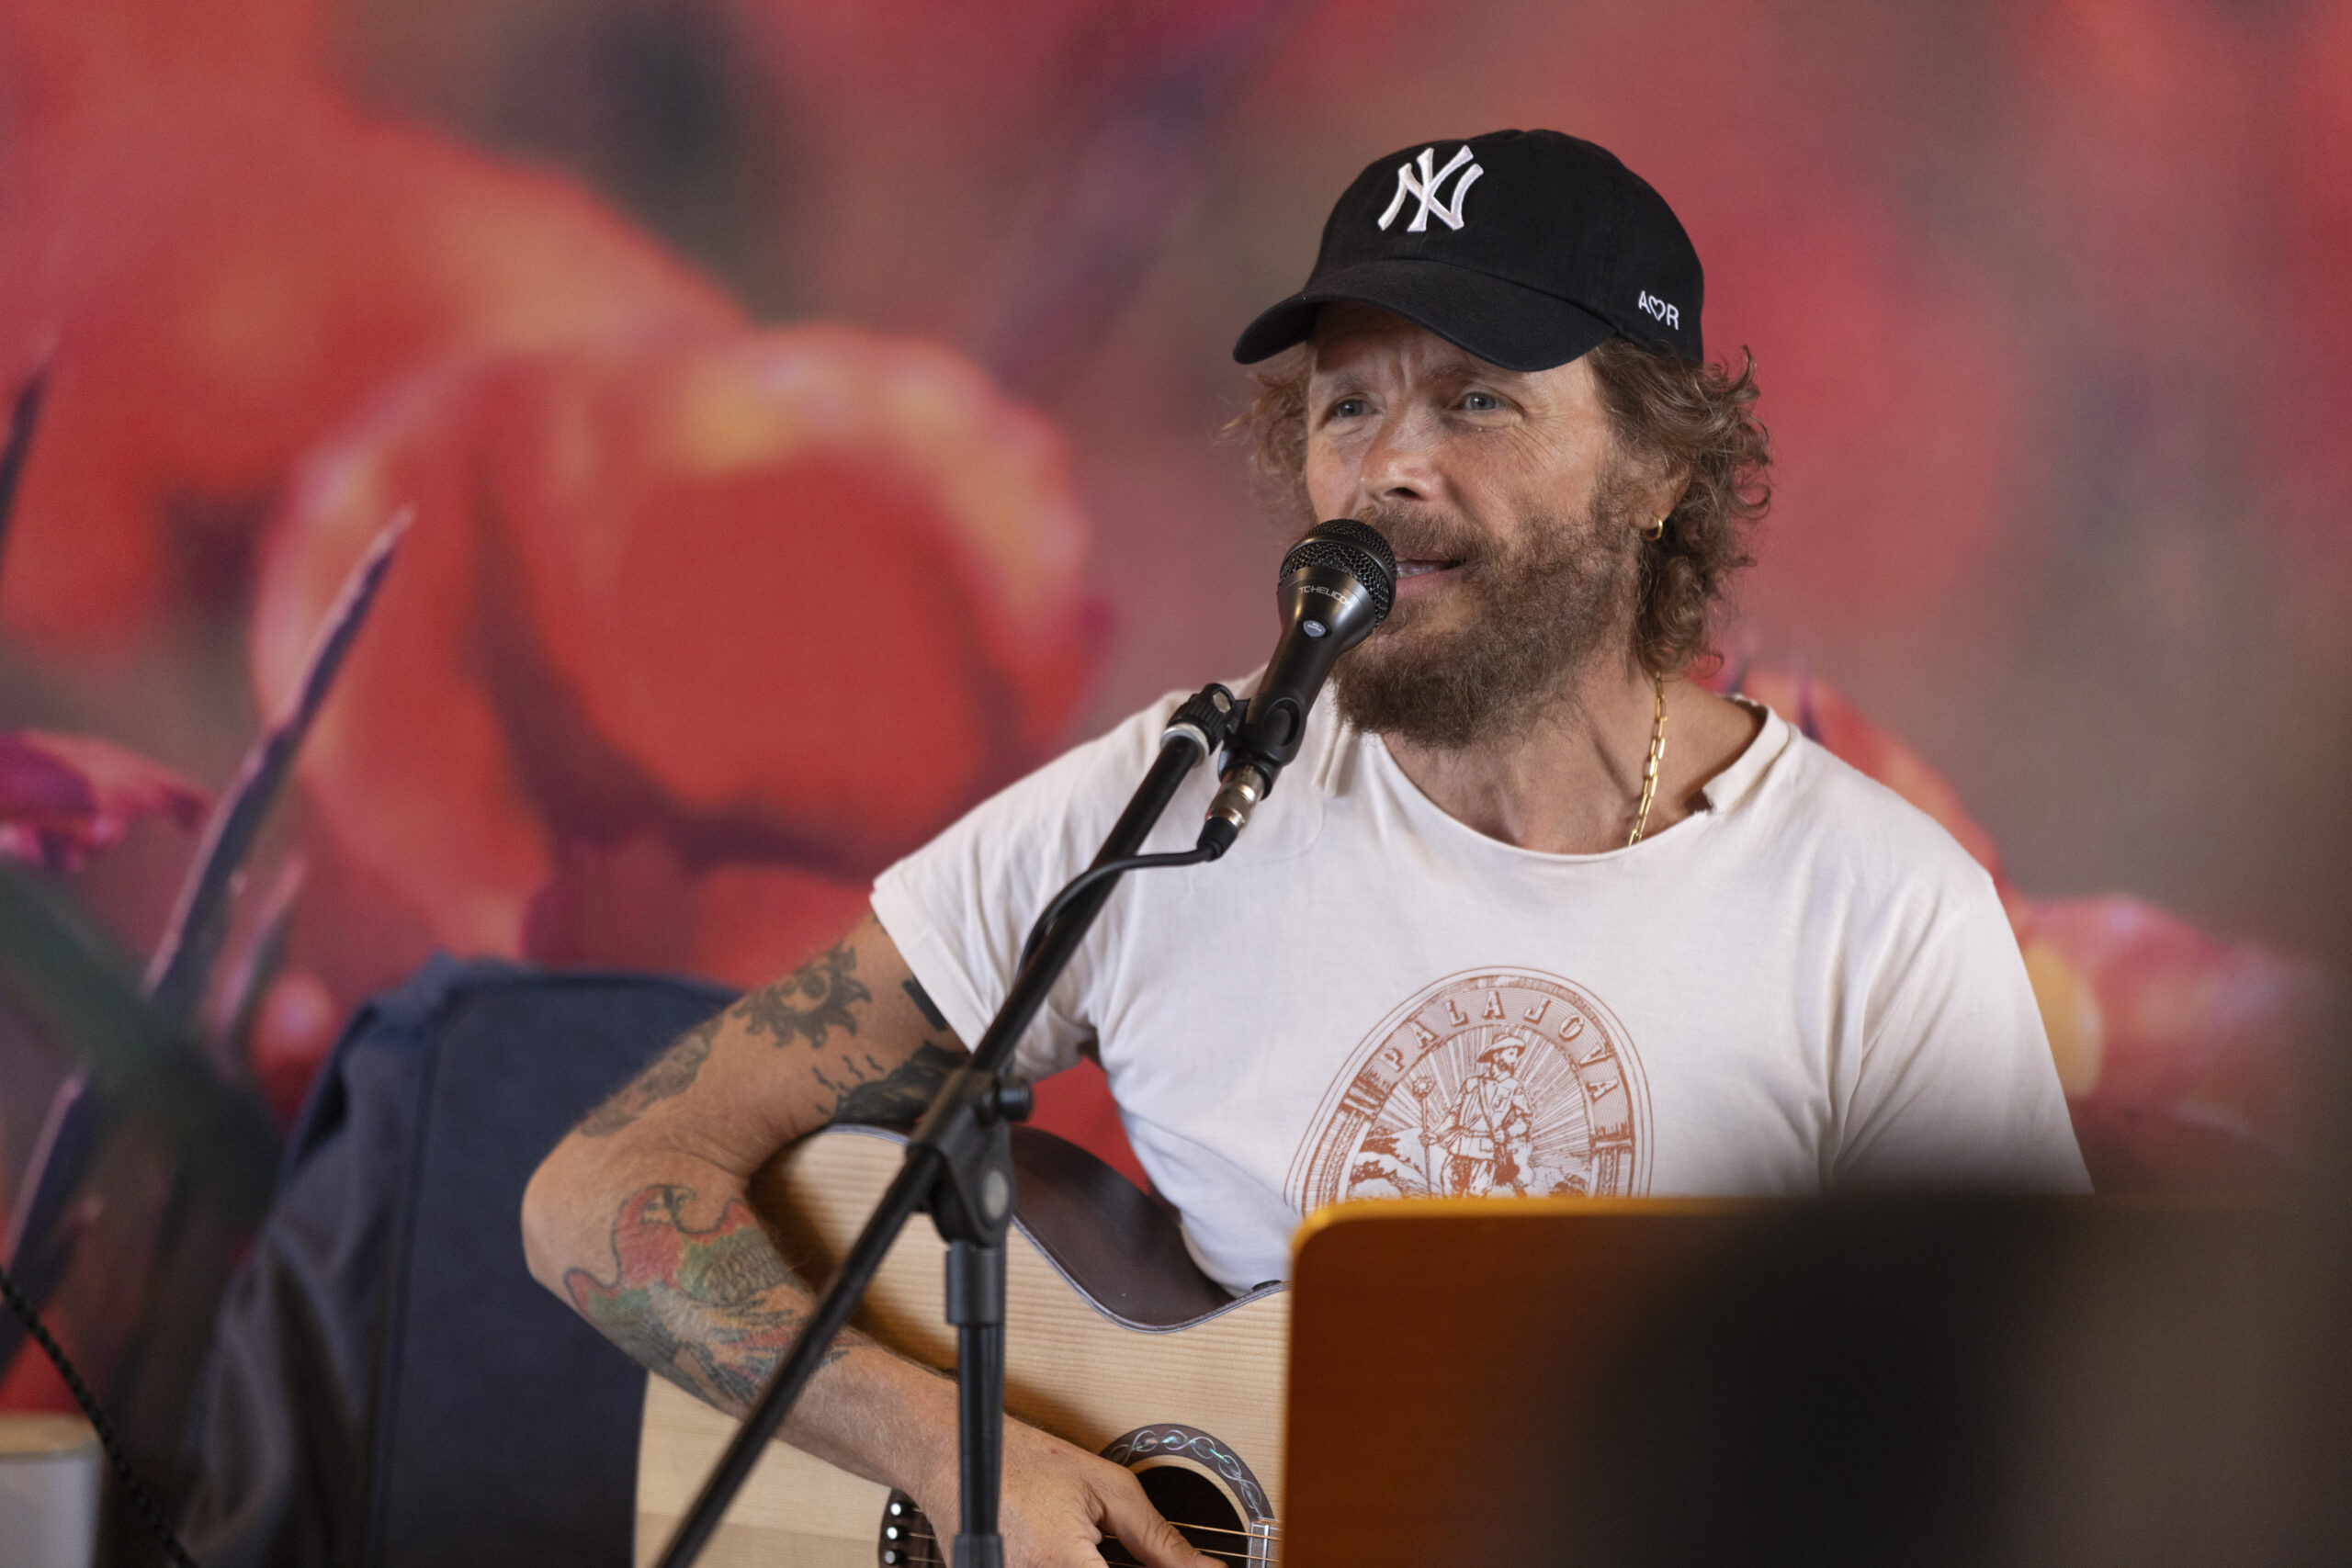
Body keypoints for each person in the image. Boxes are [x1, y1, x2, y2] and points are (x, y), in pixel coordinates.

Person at [521, 129, 2088, 1568]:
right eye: (1348, 406)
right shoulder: (1167, 807)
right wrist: (949, 1452)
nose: (1387, 468)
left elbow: (2050, 1456)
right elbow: (601, 1189)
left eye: (1476, 398)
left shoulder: (1880, 917)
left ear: (1657, 470)